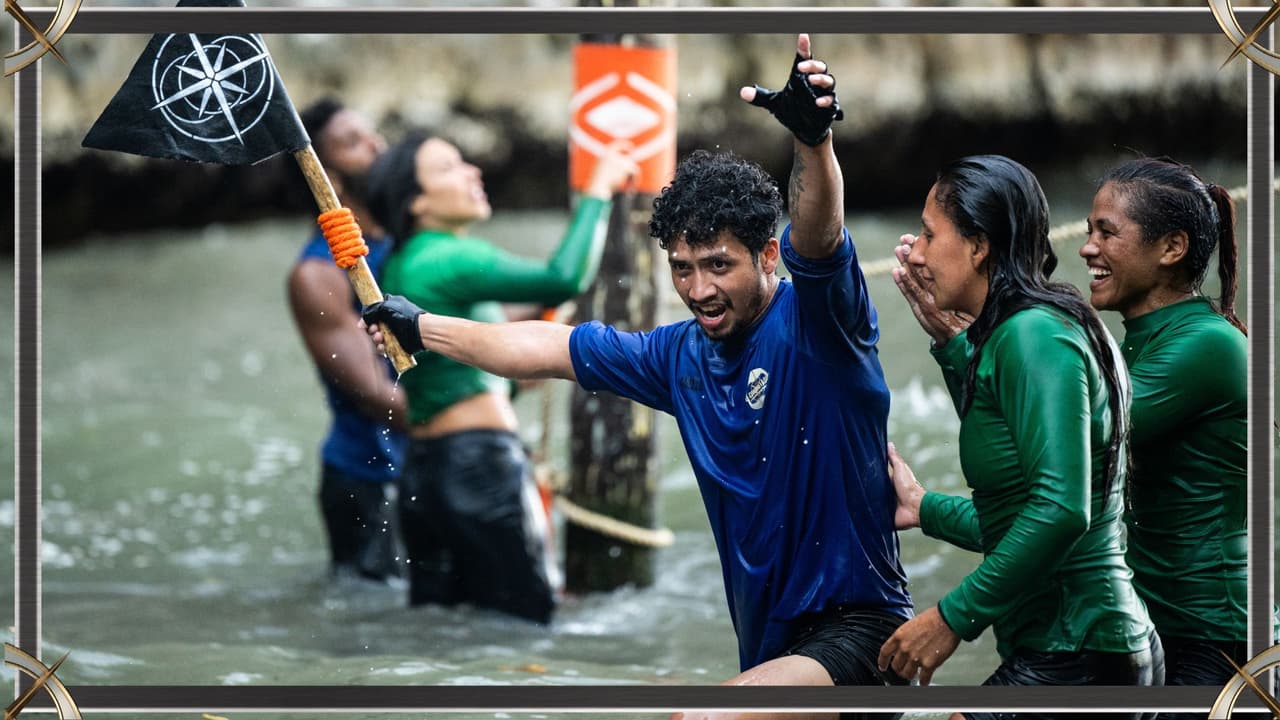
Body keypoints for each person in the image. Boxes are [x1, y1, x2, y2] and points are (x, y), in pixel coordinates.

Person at [363, 34, 916, 714]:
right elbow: (544, 346)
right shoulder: (676, 356)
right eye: (682, 268)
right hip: (773, 645)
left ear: (768, 255)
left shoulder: (820, 324)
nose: (699, 288)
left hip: (862, 634)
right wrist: (421, 327)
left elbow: (821, 235)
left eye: (719, 265)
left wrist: (813, 144)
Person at [877, 154, 1160, 715]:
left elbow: (1060, 511)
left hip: (1081, 652)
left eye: (932, 235)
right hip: (1078, 650)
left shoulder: (1035, 337)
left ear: (979, 246)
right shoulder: (1028, 328)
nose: (917, 252)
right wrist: (924, 508)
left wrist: (952, 617)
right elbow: (1016, 513)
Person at [361, 122, 638, 625]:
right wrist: (598, 190)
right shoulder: (448, 255)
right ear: (416, 203)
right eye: (448, 167)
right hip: (481, 469)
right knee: (528, 628)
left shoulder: (405, 265)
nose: (473, 170)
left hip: (424, 473)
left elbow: (449, 375)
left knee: (444, 634)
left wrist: (511, 380)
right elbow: (562, 279)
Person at [1080, 157, 1246, 712]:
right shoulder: (1134, 345)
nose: (1087, 248)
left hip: (1218, 641)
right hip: (1148, 627)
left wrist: (970, 341)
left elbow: (1078, 444)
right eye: (1087, 232)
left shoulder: (1206, 345)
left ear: (1171, 248)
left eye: (1107, 232)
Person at [288, 98, 407, 582]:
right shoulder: (318, 275)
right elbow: (379, 397)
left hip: (430, 463)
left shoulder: (407, 241)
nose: (378, 148)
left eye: (374, 134)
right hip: (368, 479)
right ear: (328, 175)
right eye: (354, 143)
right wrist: (476, 424)